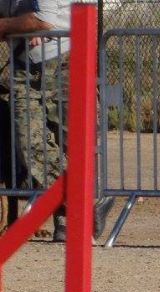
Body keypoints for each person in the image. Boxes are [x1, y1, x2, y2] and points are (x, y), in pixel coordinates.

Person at [0, 0, 112, 242]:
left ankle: (69, 221)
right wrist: (22, 25)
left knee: (70, 143)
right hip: (23, 64)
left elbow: (43, 20)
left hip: (65, 61)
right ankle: (85, 206)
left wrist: (15, 25)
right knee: (29, 142)